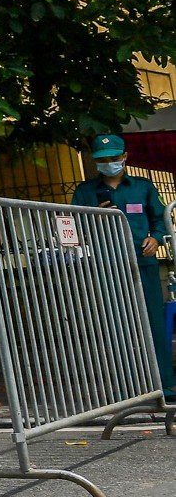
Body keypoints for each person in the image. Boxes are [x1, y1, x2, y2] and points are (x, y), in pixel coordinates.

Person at [72, 134, 174, 403]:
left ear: (125, 156)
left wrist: (156, 237)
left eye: (115, 158)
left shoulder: (143, 186)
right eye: (103, 160)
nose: (110, 163)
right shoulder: (85, 192)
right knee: (117, 326)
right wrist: (96, 216)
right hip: (107, 265)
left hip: (143, 263)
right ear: (96, 162)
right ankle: (126, 390)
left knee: (154, 324)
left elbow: (160, 218)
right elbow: (73, 227)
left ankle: (166, 385)